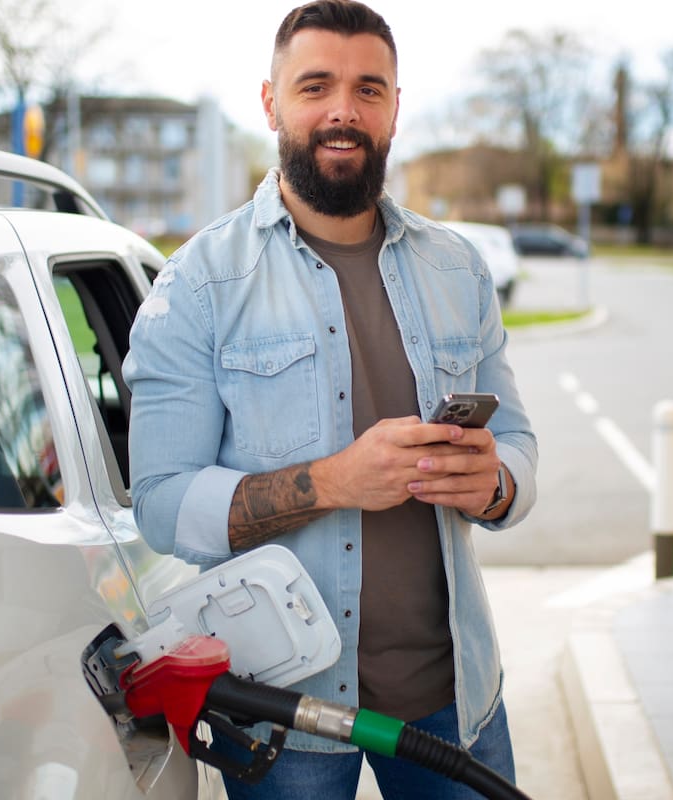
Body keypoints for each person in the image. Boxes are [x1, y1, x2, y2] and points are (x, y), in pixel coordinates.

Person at [123, 1, 537, 797]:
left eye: (368, 89)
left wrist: (496, 483)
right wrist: (338, 481)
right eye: (316, 86)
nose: (343, 109)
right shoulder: (200, 284)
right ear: (272, 102)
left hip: (457, 696)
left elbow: (518, 445)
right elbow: (163, 505)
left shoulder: (458, 269)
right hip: (287, 707)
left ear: (393, 110)